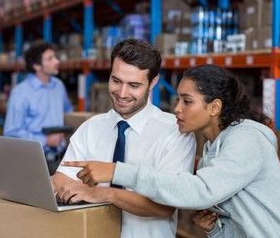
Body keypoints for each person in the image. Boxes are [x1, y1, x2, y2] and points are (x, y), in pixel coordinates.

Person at [61, 64, 280, 237]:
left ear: (214, 107)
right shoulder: (211, 152)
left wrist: (117, 172)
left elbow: (201, 191)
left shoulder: (247, 138)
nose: (176, 109)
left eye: (187, 101)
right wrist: (216, 231)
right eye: (178, 100)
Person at [51, 38, 196, 238]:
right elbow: (64, 177)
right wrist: (45, 185)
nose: (121, 93)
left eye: (134, 85)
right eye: (116, 81)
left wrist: (102, 193)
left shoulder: (175, 132)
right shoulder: (91, 128)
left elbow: (165, 206)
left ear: (153, 82)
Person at [3, 40, 73, 174]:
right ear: (36, 65)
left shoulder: (59, 86)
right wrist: (45, 140)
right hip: (32, 162)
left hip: (60, 160)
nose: (57, 61)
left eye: (55, 57)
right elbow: (10, 133)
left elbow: (68, 112)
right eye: (50, 59)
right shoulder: (21, 92)